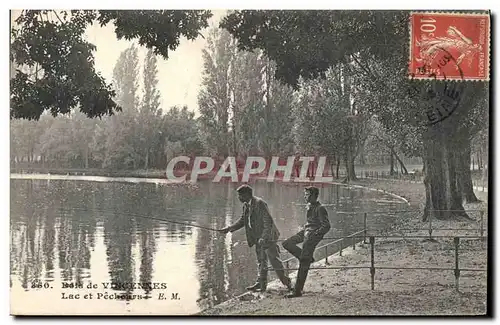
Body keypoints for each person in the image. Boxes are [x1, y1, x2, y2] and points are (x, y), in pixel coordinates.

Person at [219, 184, 292, 292]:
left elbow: (268, 221)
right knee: (261, 261)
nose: (239, 198)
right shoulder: (246, 205)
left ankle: (288, 283)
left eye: (241, 195)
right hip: (258, 238)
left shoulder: (259, 203)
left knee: (274, 261)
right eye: (239, 196)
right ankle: (261, 284)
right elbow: (243, 220)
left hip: (268, 237)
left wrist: (264, 237)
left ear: (248, 194)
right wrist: (229, 228)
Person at [282, 186, 331, 298]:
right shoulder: (309, 206)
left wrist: (315, 234)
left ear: (314, 196)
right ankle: (308, 258)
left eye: (307, 195)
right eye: (305, 194)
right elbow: (311, 222)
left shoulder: (320, 208)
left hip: (311, 236)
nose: (305, 197)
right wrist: (305, 230)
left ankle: (297, 291)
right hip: (306, 231)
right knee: (286, 243)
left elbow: (326, 226)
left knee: (303, 263)